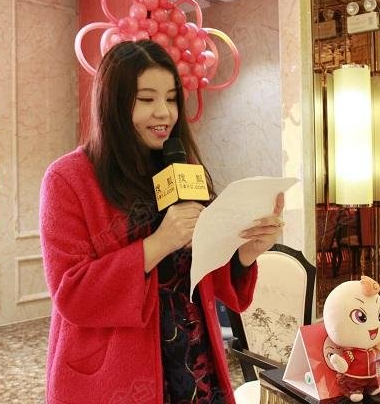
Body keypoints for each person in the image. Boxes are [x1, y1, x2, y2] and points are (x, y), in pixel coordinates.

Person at [39, 40, 284, 404]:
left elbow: (200, 271)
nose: (164, 113)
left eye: (171, 99)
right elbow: (71, 293)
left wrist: (245, 253)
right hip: (117, 375)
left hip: (194, 363)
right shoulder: (69, 179)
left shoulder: (180, 166)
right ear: (113, 103)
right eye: (146, 99)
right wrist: (157, 244)